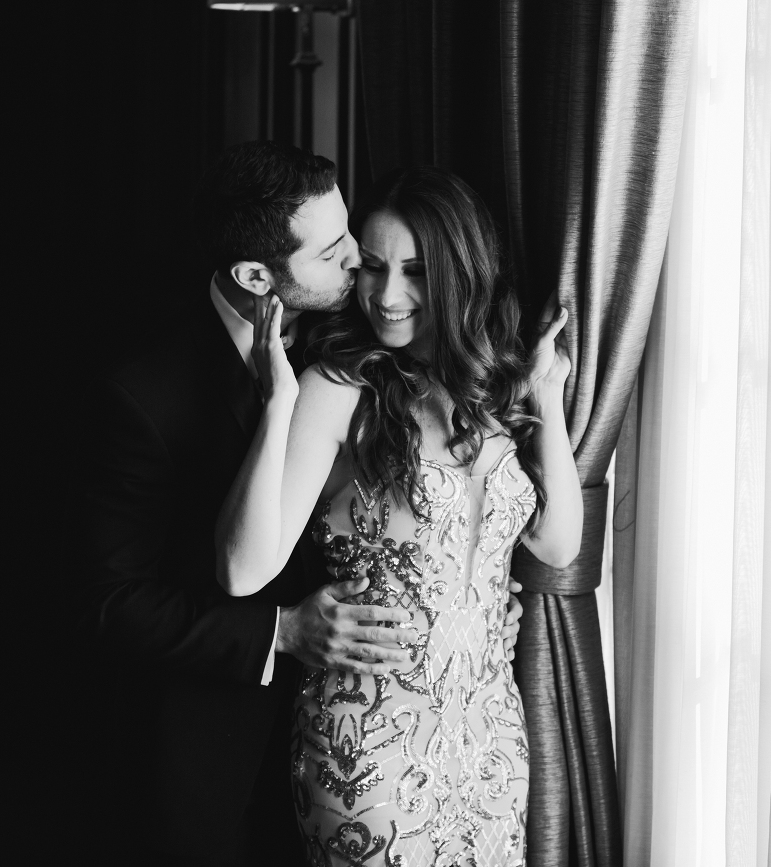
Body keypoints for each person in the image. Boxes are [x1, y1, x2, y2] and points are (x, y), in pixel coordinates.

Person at [76, 144, 526, 865]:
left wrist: (467, 600)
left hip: (403, 722)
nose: (361, 264)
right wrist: (279, 631)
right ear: (258, 276)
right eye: (335, 251)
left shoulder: (363, 332)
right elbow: (112, 600)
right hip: (223, 736)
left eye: (353, 234)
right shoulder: (143, 395)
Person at [215, 166, 582, 867]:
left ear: (460, 272)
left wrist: (549, 400)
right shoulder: (338, 387)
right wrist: (276, 402)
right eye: (373, 268)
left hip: (490, 733)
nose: (386, 296)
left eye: (414, 271)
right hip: (369, 747)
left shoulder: (496, 386)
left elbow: (557, 544)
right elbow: (241, 571)